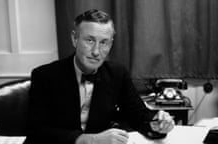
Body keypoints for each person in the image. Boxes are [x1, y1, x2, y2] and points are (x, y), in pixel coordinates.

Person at [25, 9, 174, 144]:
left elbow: (137, 115)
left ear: (111, 44)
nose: (96, 51)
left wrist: (156, 124)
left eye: (104, 42)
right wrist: (86, 140)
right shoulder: (44, 75)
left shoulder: (117, 73)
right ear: (74, 39)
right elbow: (37, 130)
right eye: (89, 40)